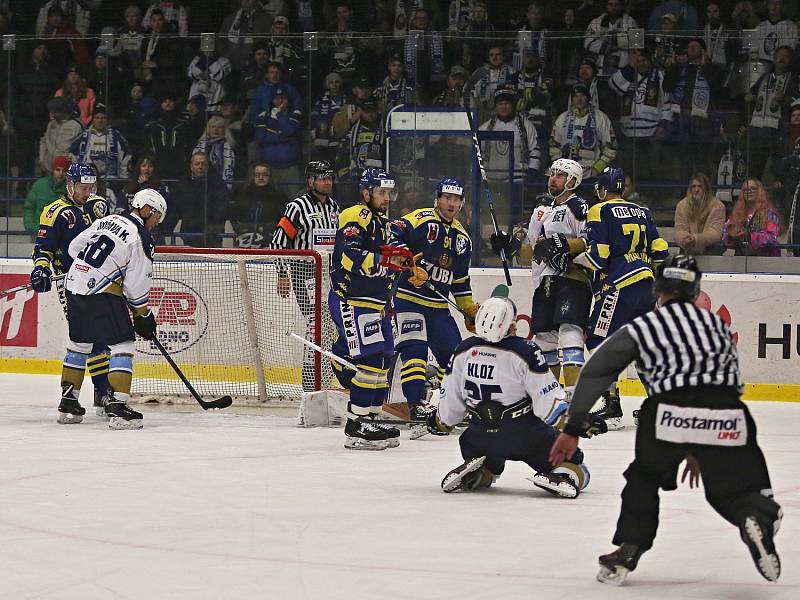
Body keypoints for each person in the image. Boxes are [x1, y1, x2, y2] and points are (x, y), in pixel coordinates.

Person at [550, 254, 783, 585]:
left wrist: (573, 428)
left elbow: (598, 371)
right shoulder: (717, 326)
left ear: (659, 288)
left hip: (667, 413)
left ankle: (629, 549)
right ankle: (755, 517)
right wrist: (701, 443)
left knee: (644, 479)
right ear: (694, 290)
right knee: (737, 488)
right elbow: (725, 380)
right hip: (726, 412)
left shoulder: (646, 325)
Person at [427, 296, 604, 496]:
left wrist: (439, 422)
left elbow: (451, 409)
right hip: (525, 437)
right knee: (578, 465)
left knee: (484, 447)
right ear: (512, 324)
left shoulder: (463, 350)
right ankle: (564, 474)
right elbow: (548, 407)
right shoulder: (526, 352)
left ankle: (485, 471)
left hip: (476, 439)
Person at [568, 167, 668, 427]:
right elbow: (660, 251)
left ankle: (612, 405)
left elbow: (598, 256)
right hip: (646, 287)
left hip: (617, 287)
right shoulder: (643, 211)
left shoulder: (599, 210)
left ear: (602, 189)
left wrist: (571, 259)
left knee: (599, 343)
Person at [60, 189, 168, 430]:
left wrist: (92, 267)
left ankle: (68, 403)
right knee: (123, 344)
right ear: (147, 209)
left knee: (80, 343)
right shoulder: (141, 237)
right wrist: (144, 315)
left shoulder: (108, 219)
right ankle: (118, 407)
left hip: (74, 283)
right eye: (156, 216)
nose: (156, 223)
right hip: (101, 290)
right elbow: (136, 285)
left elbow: (74, 247)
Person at [492, 158, 591, 406]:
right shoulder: (543, 212)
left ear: (572, 181)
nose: (553, 179)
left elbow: (591, 241)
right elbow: (532, 253)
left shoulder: (579, 207)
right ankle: (552, 396)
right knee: (545, 338)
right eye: (552, 174)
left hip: (573, 280)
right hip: (546, 282)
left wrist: (565, 245)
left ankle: (575, 397)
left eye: (559, 175)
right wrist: (511, 246)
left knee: (569, 333)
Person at [329, 167, 410, 450]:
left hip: (376, 303)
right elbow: (349, 255)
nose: (387, 198)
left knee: (385, 358)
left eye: (389, 193)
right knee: (371, 359)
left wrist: (402, 263)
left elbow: (382, 259)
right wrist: (385, 261)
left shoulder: (382, 221)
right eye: (381, 192)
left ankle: (372, 417)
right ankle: (357, 423)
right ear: (366, 193)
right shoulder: (356, 215)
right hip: (353, 300)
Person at [388, 177, 480, 420]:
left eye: (456, 199)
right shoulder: (421, 218)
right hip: (410, 299)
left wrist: (468, 308)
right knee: (415, 352)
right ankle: (415, 406)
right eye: (447, 198)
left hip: (438, 307)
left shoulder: (463, 238)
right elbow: (393, 232)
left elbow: (460, 281)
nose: (451, 203)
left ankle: (451, 406)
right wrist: (406, 259)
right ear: (437, 199)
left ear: (462, 203)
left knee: (455, 357)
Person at [31, 163, 111, 421]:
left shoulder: (99, 205)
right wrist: (41, 270)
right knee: (85, 336)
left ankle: (94, 393)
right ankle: (83, 394)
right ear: (70, 185)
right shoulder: (55, 212)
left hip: (99, 280)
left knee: (101, 335)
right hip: (70, 282)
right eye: (82, 188)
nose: (87, 192)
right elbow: (43, 249)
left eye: (91, 187)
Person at [271, 160, 340, 391]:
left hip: (329, 274)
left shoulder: (334, 207)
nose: (327, 182)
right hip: (305, 272)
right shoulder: (297, 207)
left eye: (330, 177)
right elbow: (279, 242)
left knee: (329, 327)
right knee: (316, 325)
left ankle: (324, 380)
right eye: (322, 178)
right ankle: (311, 385)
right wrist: (282, 273)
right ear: (311, 181)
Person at [230, 163, 289, 248]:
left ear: (270, 177)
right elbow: (234, 216)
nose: (261, 178)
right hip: (245, 239)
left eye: (265, 175)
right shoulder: (243, 194)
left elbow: (286, 219)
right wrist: (241, 230)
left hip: (270, 240)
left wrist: (272, 232)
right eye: (257, 175)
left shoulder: (279, 196)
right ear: (252, 176)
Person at [722, 179, 782, 256]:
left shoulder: (769, 213)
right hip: (742, 258)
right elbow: (724, 235)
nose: (749, 191)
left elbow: (772, 237)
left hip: (764, 259)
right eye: (745, 189)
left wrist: (749, 236)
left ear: (759, 191)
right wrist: (731, 235)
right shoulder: (737, 213)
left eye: (753, 189)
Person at [674, 173, 726, 255]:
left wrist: (696, 239)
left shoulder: (718, 206)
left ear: (706, 189)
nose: (696, 190)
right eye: (694, 186)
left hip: (711, 250)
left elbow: (715, 233)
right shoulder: (682, 206)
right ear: (690, 189)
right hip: (687, 249)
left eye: (700, 186)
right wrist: (684, 239)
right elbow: (679, 229)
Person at [24, 155, 68, 235]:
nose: (61, 173)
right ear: (52, 170)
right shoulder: (39, 185)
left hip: (60, 236)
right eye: (58, 170)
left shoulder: (70, 190)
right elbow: (29, 207)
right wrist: (30, 227)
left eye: (64, 170)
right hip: (38, 233)